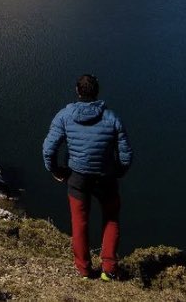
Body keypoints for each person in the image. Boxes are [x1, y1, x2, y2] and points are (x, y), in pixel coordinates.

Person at [42, 74, 133, 281]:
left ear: (77, 91)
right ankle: (109, 268)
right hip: (106, 177)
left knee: (79, 222)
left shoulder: (65, 116)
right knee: (111, 218)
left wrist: (56, 170)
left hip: (77, 177)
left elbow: (49, 149)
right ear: (97, 92)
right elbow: (126, 154)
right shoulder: (111, 118)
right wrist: (117, 172)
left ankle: (83, 269)